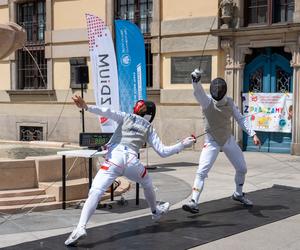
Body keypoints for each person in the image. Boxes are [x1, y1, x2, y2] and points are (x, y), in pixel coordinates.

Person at [65, 95, 196, 246]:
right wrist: (183, 144)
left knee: (95, 191)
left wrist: (86, 107)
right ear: (150, 115)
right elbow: (163, 151)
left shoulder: (126, 117)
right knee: (147, 182)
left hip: (114, 160)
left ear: (136, 109)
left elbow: (107, 112)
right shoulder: (148, 128)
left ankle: (81, 227)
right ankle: (155, 211)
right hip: (132, 162)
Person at [182, 69, 261, 214]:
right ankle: (193, 201)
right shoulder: (206, 101)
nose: (217, 94)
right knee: (201, 171)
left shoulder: (230, 102)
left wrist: (253, 134)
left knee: (242, 169)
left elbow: (241, 119)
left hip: (227, 139)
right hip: (211, 141)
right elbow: (198, 92)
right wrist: (195, 80)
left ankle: (238, 194)